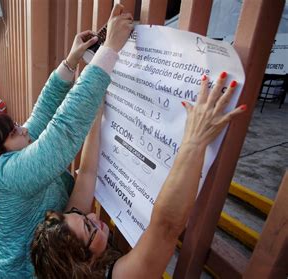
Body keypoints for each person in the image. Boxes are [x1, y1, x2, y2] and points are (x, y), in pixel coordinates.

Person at [0, 5, 132, 278]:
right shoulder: (10, 173)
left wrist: (71, 61)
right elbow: (62, 131)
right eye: (11, 132)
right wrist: (109, 49)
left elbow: (42, 114)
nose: (22, 128)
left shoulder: (15, 151)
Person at [30, 75, 246, 278]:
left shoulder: (70, 242)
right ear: (82, 264)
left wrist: (96, 116)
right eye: (89, 227)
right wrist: (195, 140)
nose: (93, 216)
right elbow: (166, 227)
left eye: (80, 214)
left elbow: (86, 173)